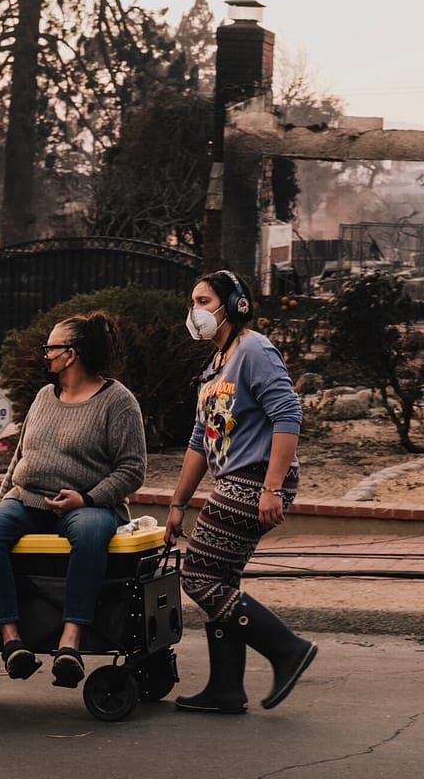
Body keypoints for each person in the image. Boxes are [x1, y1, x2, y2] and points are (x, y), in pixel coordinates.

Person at [164, 269, 317, 713]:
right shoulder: (213, 366)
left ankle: (287, 649)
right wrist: (177, 503)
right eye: (193, 302)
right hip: (235, 478)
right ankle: (225, 689)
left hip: (256, 478)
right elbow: (200, 439)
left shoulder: (253, 348)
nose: (196, 311)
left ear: (235, 306)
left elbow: (288, 414)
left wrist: (272, 487)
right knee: (220, 579)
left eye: (205, 301)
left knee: (198, 575)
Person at [0, 311, 146, 689]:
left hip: (89, 507)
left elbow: (132, 470)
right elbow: (20, 459)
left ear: (72, 354)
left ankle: (70, 641)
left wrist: (87, 499)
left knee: (90, 532)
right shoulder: (43, 397)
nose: (44, 354)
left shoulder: (118, 401)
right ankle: (11, 639)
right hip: (26, 501)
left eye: (51, 347)